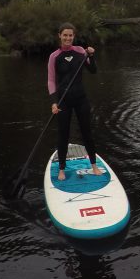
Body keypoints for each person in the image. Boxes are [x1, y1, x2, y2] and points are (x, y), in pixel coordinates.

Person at [47, 22, 100, 181]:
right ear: (60, 36)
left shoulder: (80, 52)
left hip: (80, 99)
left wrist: (91, 55)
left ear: (73, 36)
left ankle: (94, 166)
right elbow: (51, 81)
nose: (68, 38)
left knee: (87, 133)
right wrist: (53, 102)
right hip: (63, 101)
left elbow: (93, 70)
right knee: (63, 134)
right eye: (65, 35)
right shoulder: (54, 56)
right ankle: (62, 169)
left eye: (70, 35)